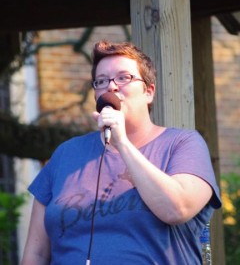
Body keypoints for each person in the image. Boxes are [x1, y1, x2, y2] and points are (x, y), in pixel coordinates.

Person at [21, 40, 221, 265]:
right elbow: (36, 253)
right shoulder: (65, 155)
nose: (112, 87)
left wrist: (122, 143)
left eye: (124, 77)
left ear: (149, 92)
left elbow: (176, 209)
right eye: (102, 81)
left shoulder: (183, 144)